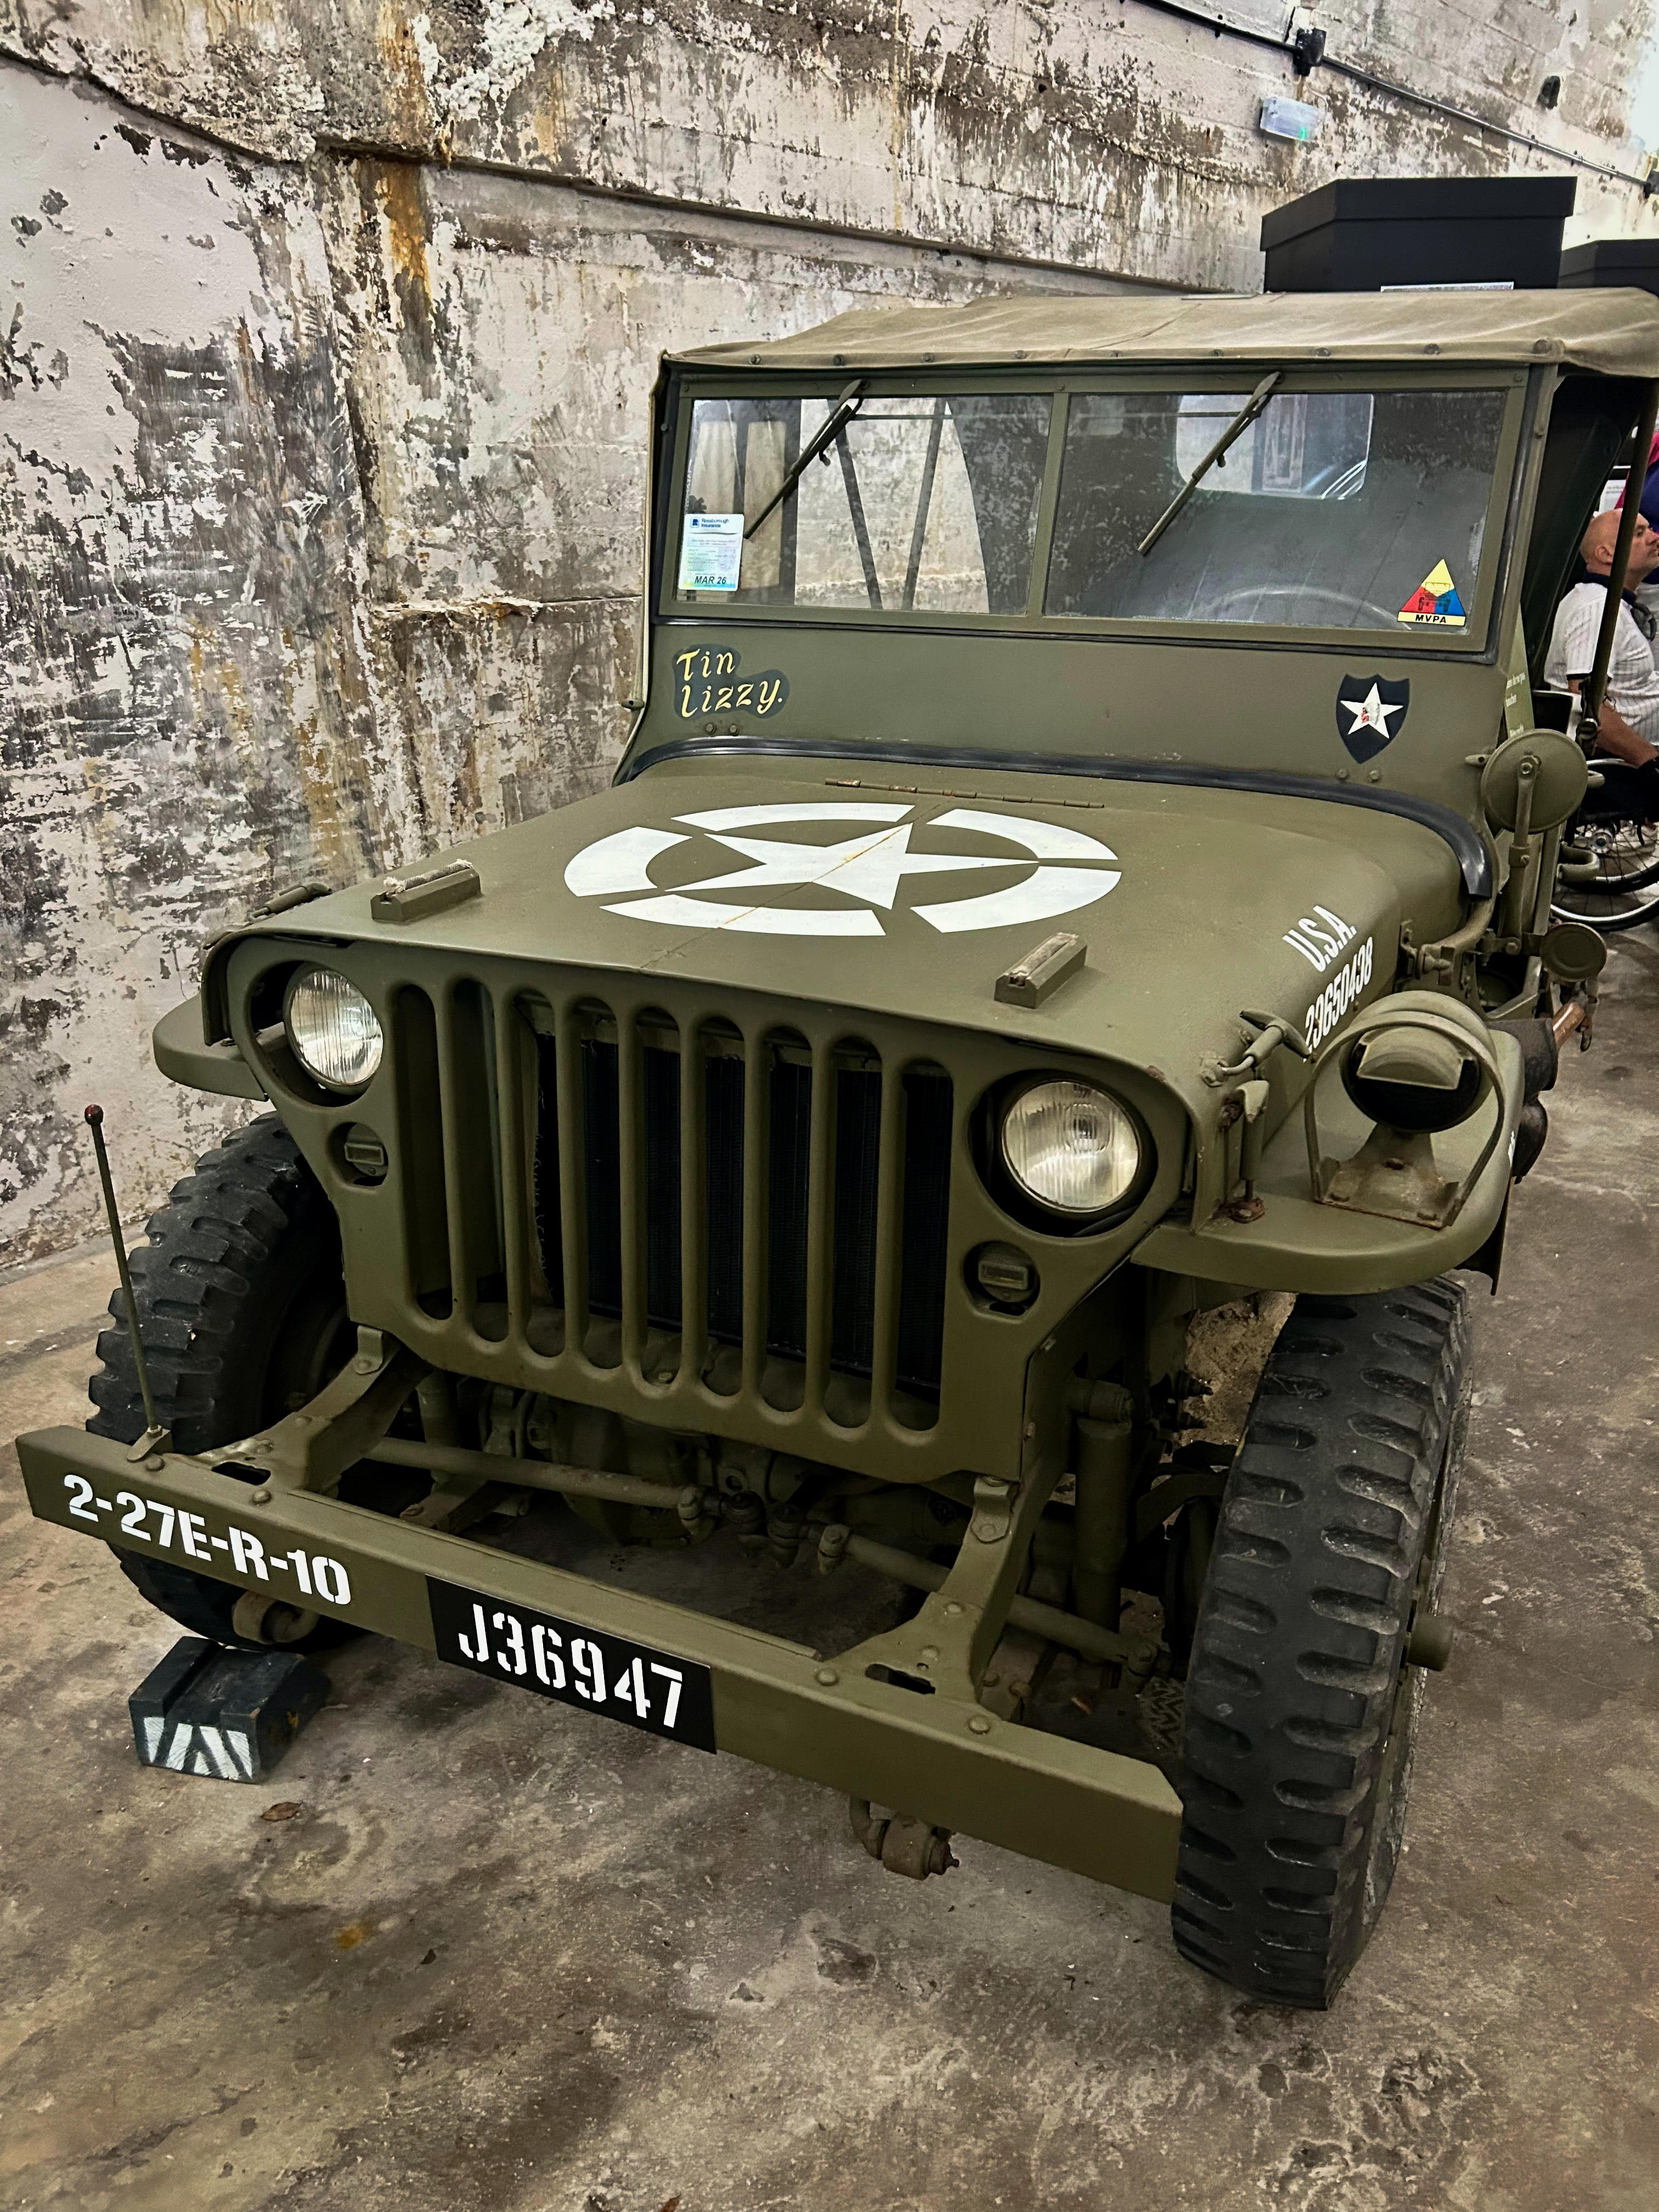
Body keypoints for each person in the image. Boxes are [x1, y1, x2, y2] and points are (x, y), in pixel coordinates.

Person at [1545, 506, 1659, 770]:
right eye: (1639, 534)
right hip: (1618, 768)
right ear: (1606, 554)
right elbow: (1590, 710)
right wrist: (1651, 763)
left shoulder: (1607, 602)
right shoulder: (1596, 609)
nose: (1654, 537)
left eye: (1650, 529)